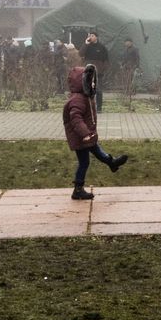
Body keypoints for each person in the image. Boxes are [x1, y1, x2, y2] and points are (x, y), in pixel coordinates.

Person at [62, 65, 129, 200]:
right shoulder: (77, 99)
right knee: (84, 162)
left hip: (87, 135)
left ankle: (112, 163)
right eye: (90, 81)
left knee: (98, 151)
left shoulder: (86, 96)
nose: (93, 83)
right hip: (81, 137)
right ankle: (78, 189)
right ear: (82, 82)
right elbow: (76, 119)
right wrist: (85, 133)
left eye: (93, 81)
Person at [81, 31, 110, 111]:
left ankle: (99, 108)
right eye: (90, 35)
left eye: (92, 35)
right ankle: (88, 107)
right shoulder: (87, 46)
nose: (91, 37)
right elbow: (81, 54)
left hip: (98, 72)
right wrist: (85, 44)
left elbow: (106, 60)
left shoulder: (102, 47)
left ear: (96, 37)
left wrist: (103, 69)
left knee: (98, 90)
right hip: (88, 71)